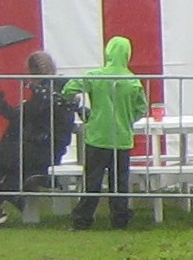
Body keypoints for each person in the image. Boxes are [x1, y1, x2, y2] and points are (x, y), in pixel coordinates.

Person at [0, 51, 78, 226]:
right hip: (49, 150)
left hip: (38, 150)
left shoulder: (45, 95)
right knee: (0, 156)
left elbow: (18, 116)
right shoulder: (62, 89)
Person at [62, 35, 149, 230]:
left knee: (92, 180)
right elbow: (142, 108)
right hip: (122, 138)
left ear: (108, 52)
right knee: (120, 183)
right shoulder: (133, 81)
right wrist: (127, 118)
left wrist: (87, 110)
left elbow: (69, 88)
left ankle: (82, 220)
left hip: (98, 136)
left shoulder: (96, 76)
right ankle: (120, 220)